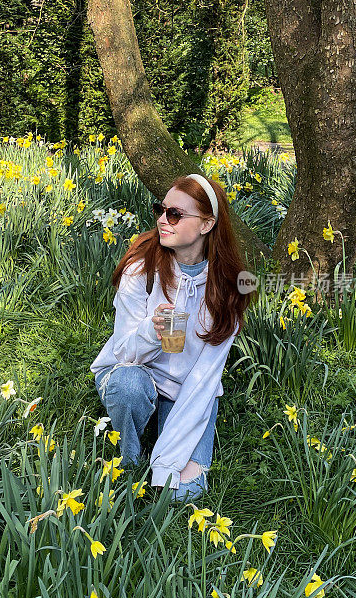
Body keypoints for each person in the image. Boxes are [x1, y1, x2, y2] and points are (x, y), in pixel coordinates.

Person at [90, 173, 254, 502]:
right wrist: (153, 330)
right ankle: (130, 457)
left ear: (206, 225)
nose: (163, 220)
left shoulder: (230, 287)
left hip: (187, 391)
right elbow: (123, 352)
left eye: (176, 214)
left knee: (182, 493)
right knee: (128, 387)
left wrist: (166, 466)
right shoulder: (141, 270)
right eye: (161, 210)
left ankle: (160, 438)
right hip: (134, 372)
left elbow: (206, 377)